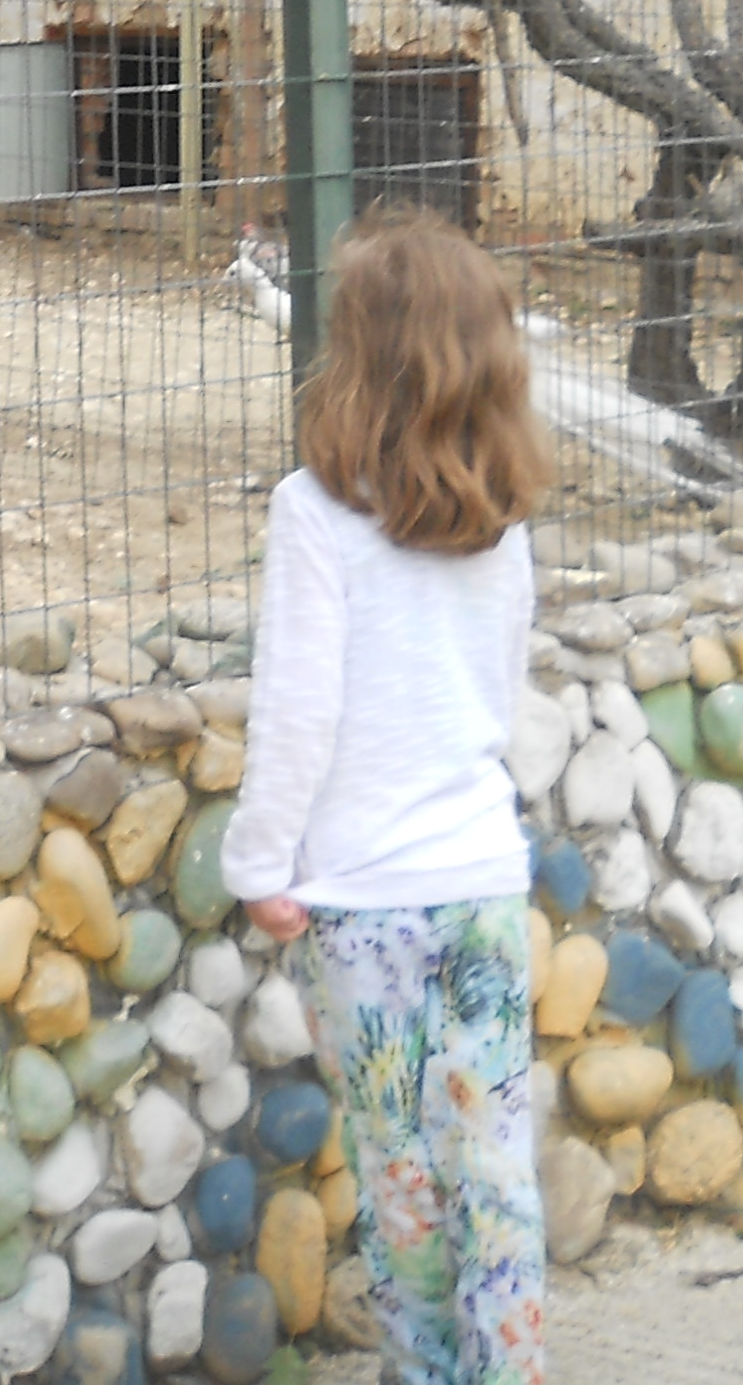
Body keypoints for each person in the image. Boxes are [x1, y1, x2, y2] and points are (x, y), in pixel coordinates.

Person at [222, 203, 552, 1385]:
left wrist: (260, 864)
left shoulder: (314, 516)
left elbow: (297, 712)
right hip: (482, 882)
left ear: (355, 358)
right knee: (495, 1166)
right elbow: (501, 697)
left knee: (402, 1172)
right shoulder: (503, 522)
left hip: (363, 905)